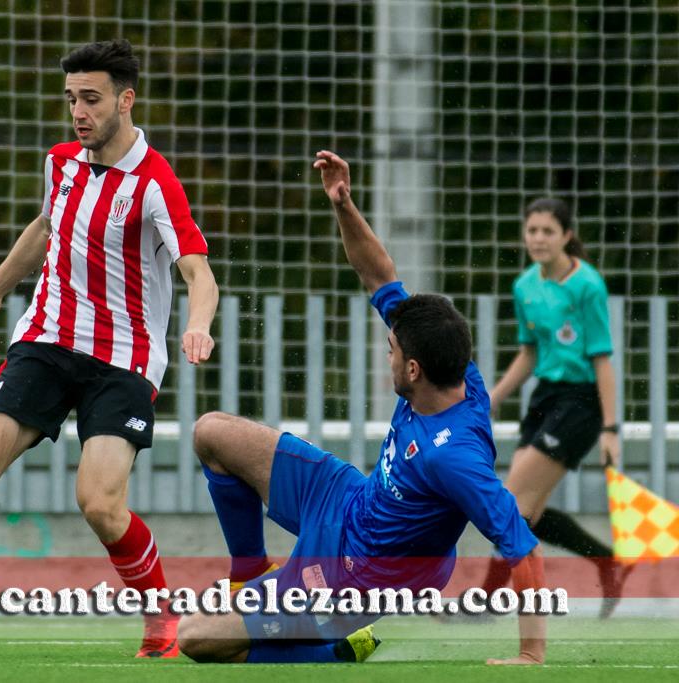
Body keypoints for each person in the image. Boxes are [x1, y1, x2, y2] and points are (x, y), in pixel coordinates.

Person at [0, 39, 219, 658]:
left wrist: (200, 324)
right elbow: (46, 227)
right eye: (72, 98)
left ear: (126, 101)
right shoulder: (61, 162)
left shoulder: (156, 183)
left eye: (92, 99)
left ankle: (161, 618)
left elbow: (198, 272)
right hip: (46, 338)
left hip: (123, 359)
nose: (78, 111)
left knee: (99, 504)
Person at [177, 150, 546, 665]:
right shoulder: (456, 369)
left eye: (392, 351)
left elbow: (521, 546)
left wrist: (531, 654)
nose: (386, 352)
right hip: (347, 498)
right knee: (211, 432)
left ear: (413, 370)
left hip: (358, 574)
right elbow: (379, 276)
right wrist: (342, 203)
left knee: (196, 637)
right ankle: (249, 575)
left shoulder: (453, 457)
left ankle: (333, 650)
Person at [481, 198, 628, 617]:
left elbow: (603, 361)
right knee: (528, 513)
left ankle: (489, 599)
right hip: (546, 397)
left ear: (566, 235)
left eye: (548, 231)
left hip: (581, 403)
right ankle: (608, 561)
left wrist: (611, 429)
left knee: (509, 505)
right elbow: (529, 354)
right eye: (533, 231)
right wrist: (491, 400)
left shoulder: (587, 285)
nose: (539, 239)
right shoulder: (525, 286)